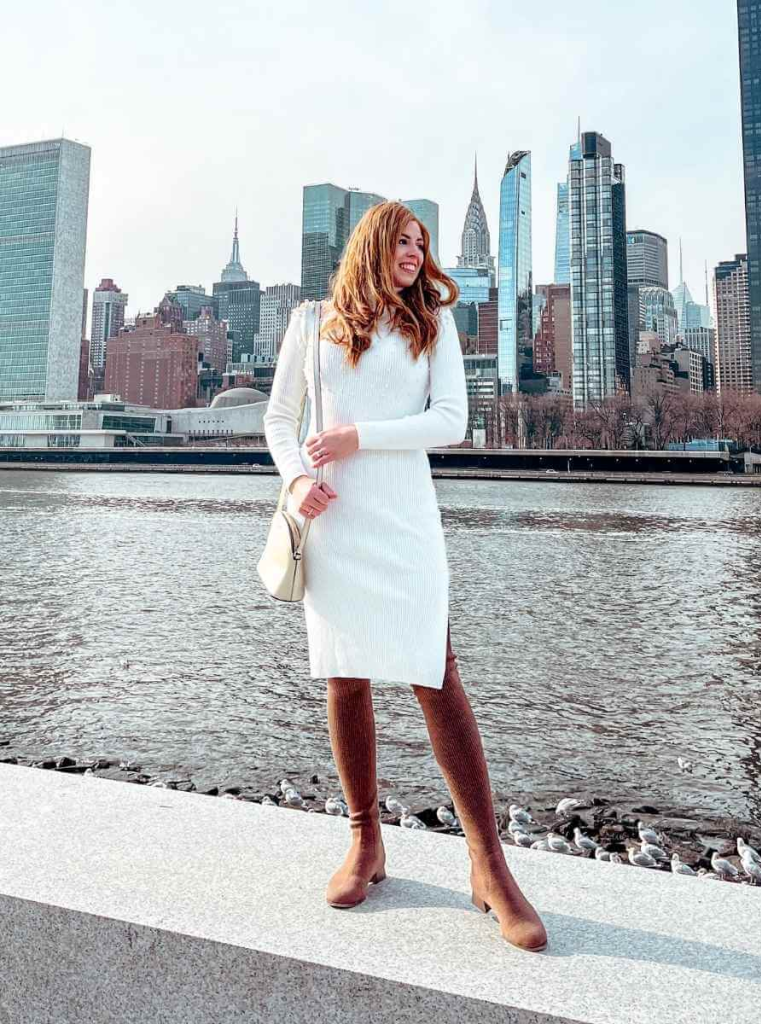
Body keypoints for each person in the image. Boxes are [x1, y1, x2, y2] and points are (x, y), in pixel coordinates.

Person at [263, 201, 547, 953]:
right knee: (343, 676)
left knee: (436, 674)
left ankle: (489, 867)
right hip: (336, 523)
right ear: (372, 245)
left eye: (422, 243)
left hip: (407, 523)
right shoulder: (311, 321)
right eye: (403, 241)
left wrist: (358, 436)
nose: (416, 253)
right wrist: (298, 481)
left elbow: (451, 421)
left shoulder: (433, 323)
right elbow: (279, 420)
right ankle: (366, 841)